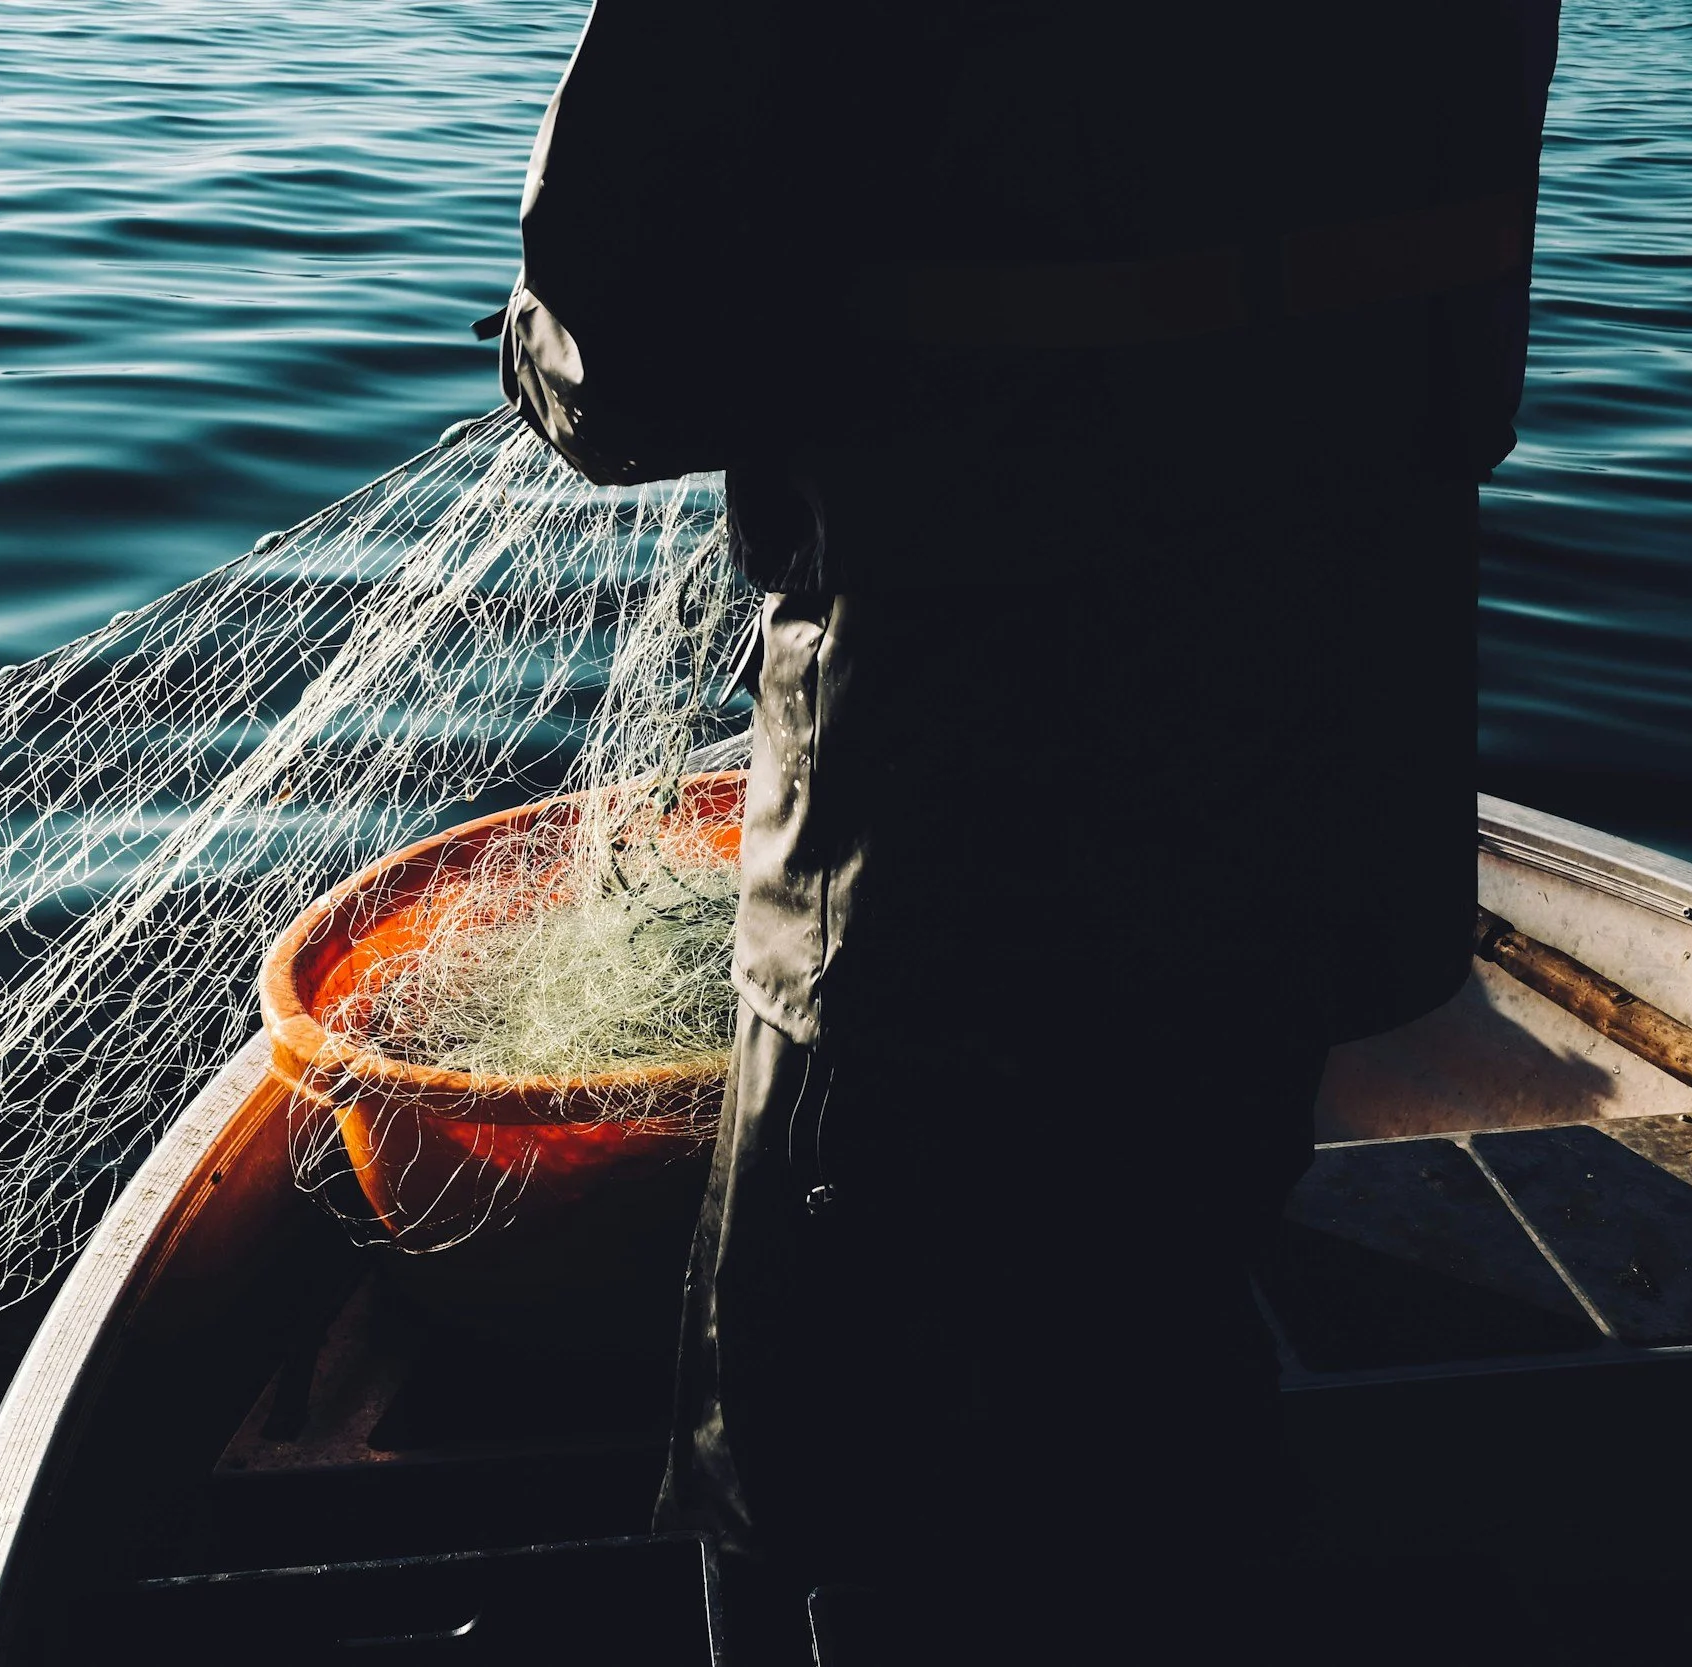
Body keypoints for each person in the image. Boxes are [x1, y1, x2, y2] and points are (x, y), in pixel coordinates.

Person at [498, 3, 1559, 1659]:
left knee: (838, 1486)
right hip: (1308, 803)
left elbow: (620, 348)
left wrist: (539, 351)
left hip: (949, 869)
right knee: (1159, 1365)